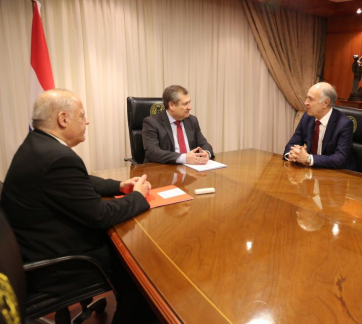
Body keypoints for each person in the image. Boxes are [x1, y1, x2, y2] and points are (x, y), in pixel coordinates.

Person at [1, 89, 157, 323]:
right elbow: (101, 215)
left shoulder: (38, 144)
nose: (87, 121)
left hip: (35, 245)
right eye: (82, 115)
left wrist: (120, 185)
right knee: (142, 272)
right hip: (60, 264)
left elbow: (79, 181)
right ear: (63, 119)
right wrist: (138, 196)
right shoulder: (57, 158)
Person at [283, 82, 357, 171]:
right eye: (307, 98)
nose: (306, 102)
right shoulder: (307, 117)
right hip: (312, 173)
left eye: (311, 99)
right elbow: (291, 144)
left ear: (325, 103)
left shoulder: (344, 124)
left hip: (338, 176)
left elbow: (340, 159)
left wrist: (308, 159)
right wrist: (292, 154)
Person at [143, 85, 214, 164]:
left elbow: (204, 143)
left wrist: (206, 153)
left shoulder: (192, 120)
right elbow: (152, 152)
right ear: (172, 105)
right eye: (185, 104)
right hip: (165, 170)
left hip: (191, 169)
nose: (190, 107)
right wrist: (184, 158)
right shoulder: (152, 122)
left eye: (189, 102)